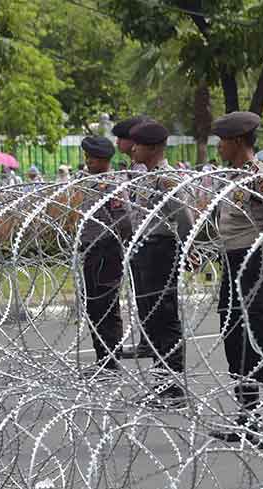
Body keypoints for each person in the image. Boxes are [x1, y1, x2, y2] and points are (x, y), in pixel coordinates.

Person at [207, 113, 263, 447]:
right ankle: (247, 417)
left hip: (255, 260)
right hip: (233, 262)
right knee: (235, 340)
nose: (218, 146)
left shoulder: (260, 177)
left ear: (236, 141)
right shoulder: (232, 176)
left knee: (262, 340)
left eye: (222, 140)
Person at [121, 120, 193, 408]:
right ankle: (161, 383)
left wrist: (186, 248)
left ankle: (174, 388)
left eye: (137, 144)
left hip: (161, 249)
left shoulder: (166, 178)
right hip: (144, 250)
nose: (132, 148)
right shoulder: (146, 176)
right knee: (150, 317)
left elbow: (184, 216)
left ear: (151, 148)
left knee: (165, 317)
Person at [75, 135, 127, 376]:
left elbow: (123, 220)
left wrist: (118, 244)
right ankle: (102, 358)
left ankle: (110, 360)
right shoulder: (90, 183)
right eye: (87, 157)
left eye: (92, 158)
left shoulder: (112, 186)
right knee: (94, 306)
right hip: (92, 250)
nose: (88, 162)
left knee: (106, 305)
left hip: (107, 250)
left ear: (104, 160)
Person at [112, 115, 154, 359]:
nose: (118, 143)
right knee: (142, 292)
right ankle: (147, 339)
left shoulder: (140, 170)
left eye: (122, 138)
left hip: (147, 238)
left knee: (148, 293)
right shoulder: (133, 168)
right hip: (138, 238)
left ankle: (151, 340)